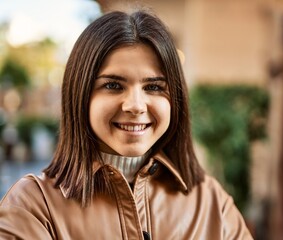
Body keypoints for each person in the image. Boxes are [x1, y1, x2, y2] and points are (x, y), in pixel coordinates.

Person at [0, 10, 253, 239]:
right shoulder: (33, 206)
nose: (136, 105)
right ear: (81, 95)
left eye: (153, 87)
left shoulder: (210, 202)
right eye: (113, 85)